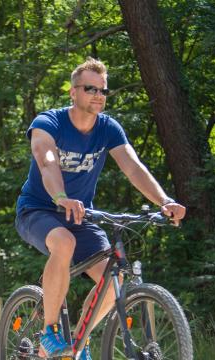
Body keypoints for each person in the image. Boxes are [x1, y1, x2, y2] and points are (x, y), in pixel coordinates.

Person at [14, 58, 186, 359]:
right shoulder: (48, 122)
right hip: (38, 210)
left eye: (103, 90)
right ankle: (50, 333)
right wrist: (60, 196)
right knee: (63, 243)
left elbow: (133, 167)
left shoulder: (108, 128)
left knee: (114, 277)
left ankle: (79, 341)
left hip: (81, 215)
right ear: (73, 92)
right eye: (90, 88)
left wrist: (165, 201)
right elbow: (47, 159)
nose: (98, 95)